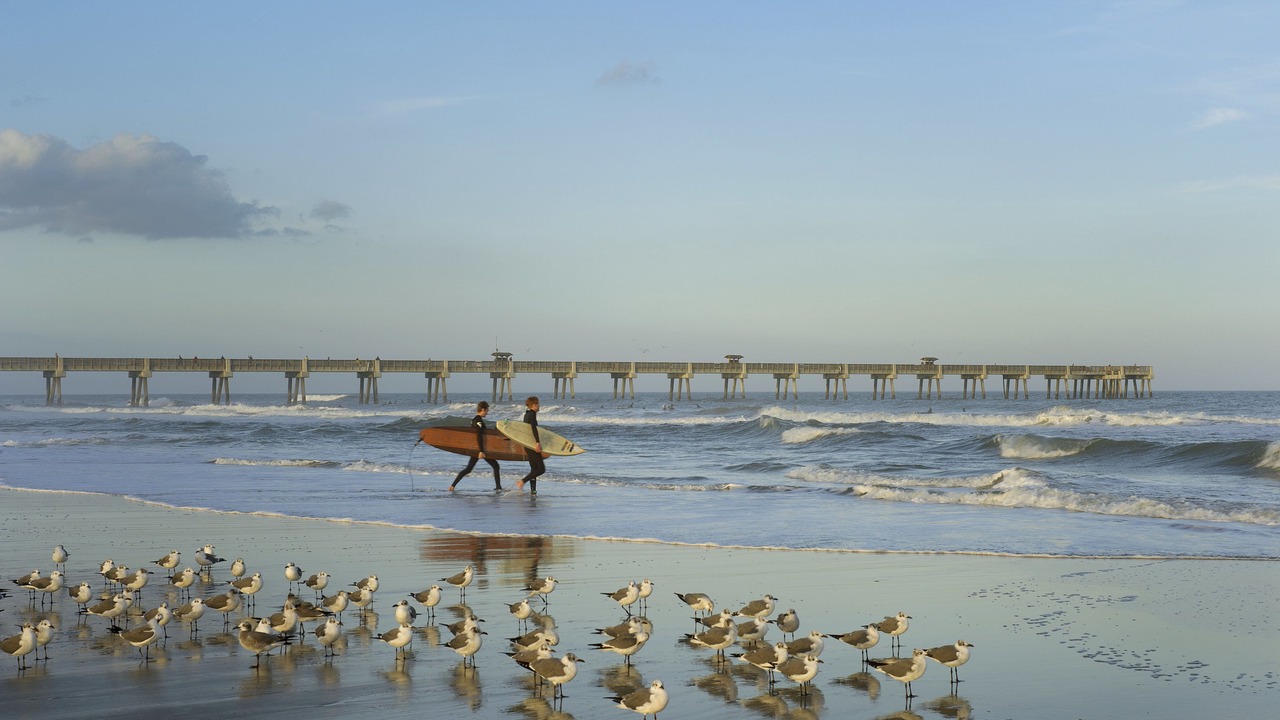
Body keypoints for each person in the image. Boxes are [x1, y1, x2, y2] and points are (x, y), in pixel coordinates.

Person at [450, 401, 501, 491]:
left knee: (470, 469)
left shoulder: (475, 420)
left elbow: (483, 434)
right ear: (483, 409)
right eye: (487, 411)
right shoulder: (478, 421)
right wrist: (481, 451)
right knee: (494, 466)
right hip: (479, 449)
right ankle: (498, 488)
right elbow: (479, 436)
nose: (487, 413)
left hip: (478, 448)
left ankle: (452, 486)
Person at [515, 396, 545, 494]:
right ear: (534, 405)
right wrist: (537, 443)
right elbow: (533, 429)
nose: (539, 406)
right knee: (541, 469)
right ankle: (522, 481)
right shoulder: (532, 415)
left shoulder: (526, 414)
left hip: (527, 444)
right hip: (532, 444)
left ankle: (533, 490)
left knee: (534, 469)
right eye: (538, 404)